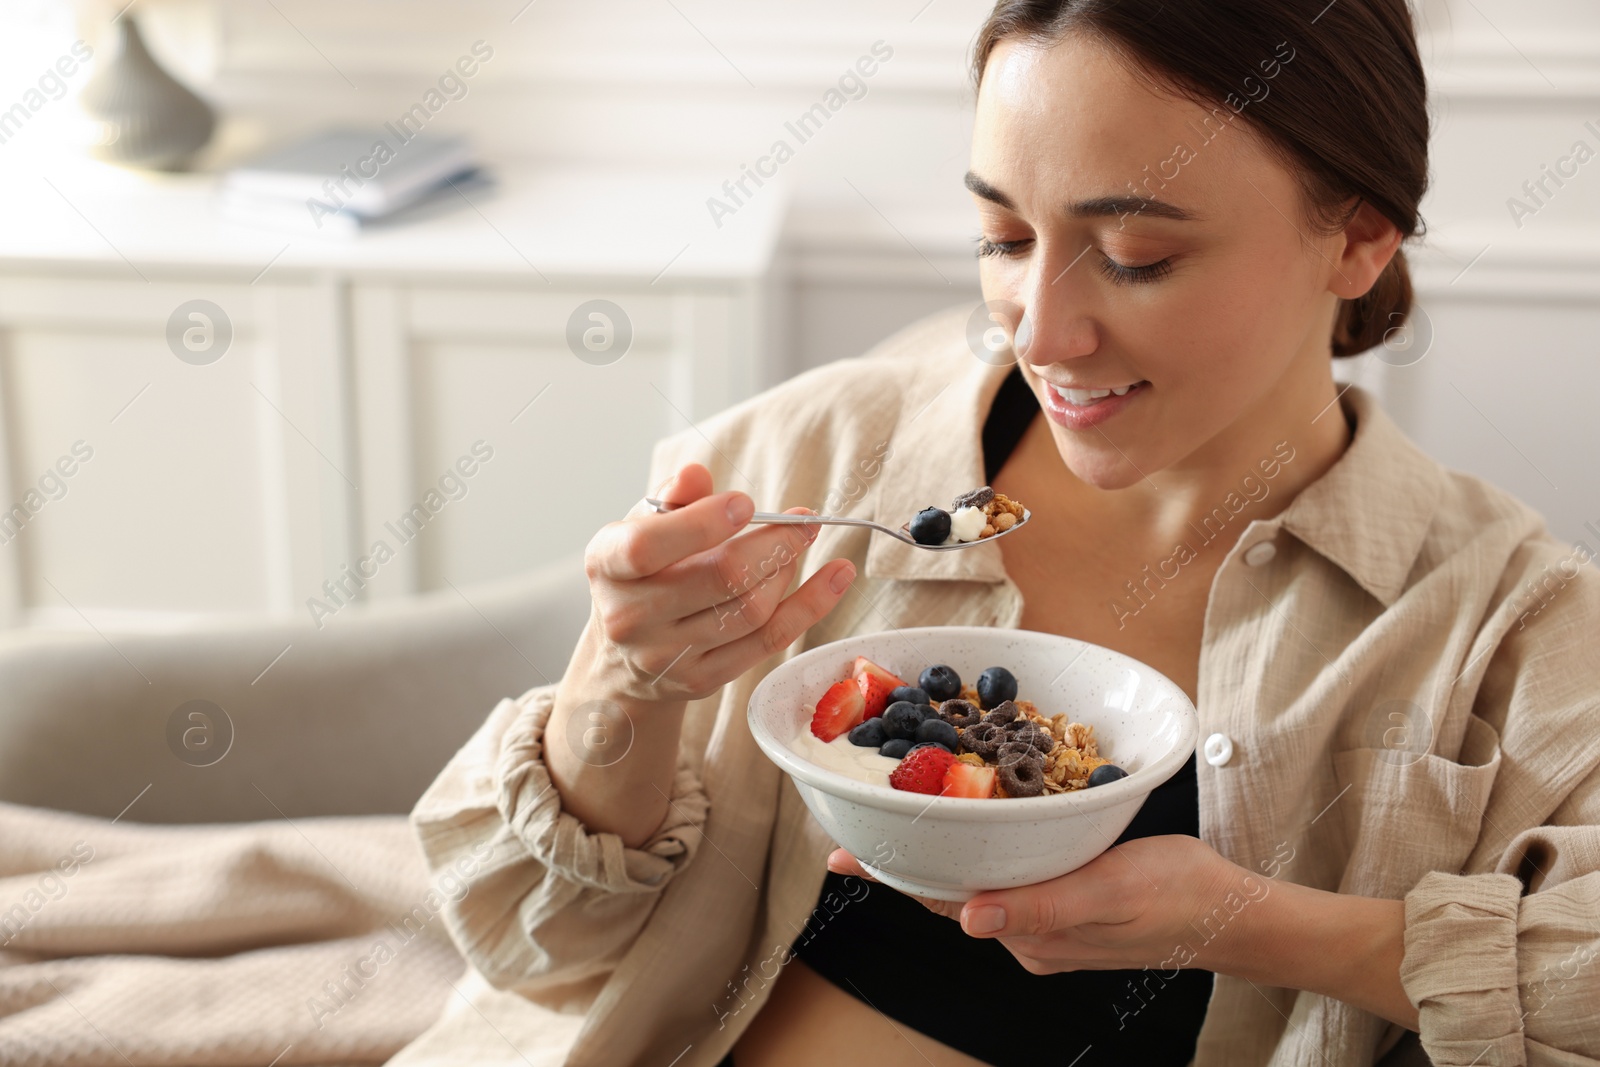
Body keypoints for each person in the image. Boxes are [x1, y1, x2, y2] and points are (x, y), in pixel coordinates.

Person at [405, 1, 1600, 1064]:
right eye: (1004, 239)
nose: (1044, 330)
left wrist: (1257, 925)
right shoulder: (802, 467)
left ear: (1358, 237)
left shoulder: (1503, 618)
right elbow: (533, 949)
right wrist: (624, 687)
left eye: (1137, 257)